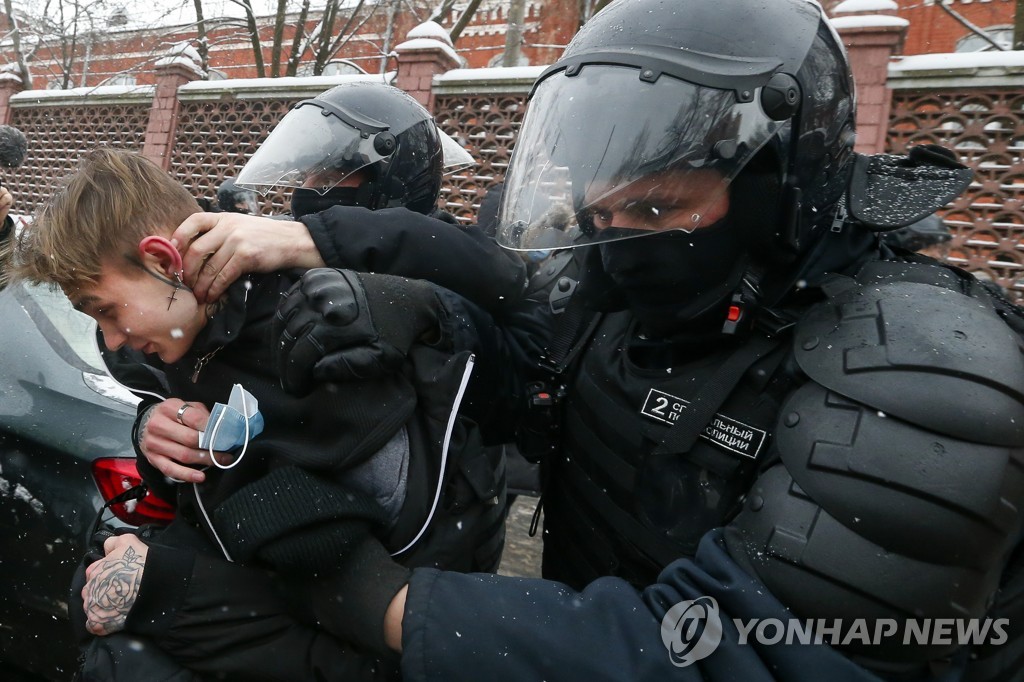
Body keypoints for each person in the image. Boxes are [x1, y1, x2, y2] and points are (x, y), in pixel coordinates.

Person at [85, 1, 1024, 680]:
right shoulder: (630, 300)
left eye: (658, 207)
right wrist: (175, 419)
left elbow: (730, 652)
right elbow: (508, 372)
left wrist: (361, 594)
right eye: (600, 212)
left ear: (778, 187)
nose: (618, 247)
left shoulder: (921, 363)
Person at [15, 148, 506, 681]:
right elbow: (204, 485)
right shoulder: (162, 344)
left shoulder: (324, 315)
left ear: (163, 260)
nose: (111, 340)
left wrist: (317, 241)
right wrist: (155, 438)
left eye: (105, 310)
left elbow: (512, 286)